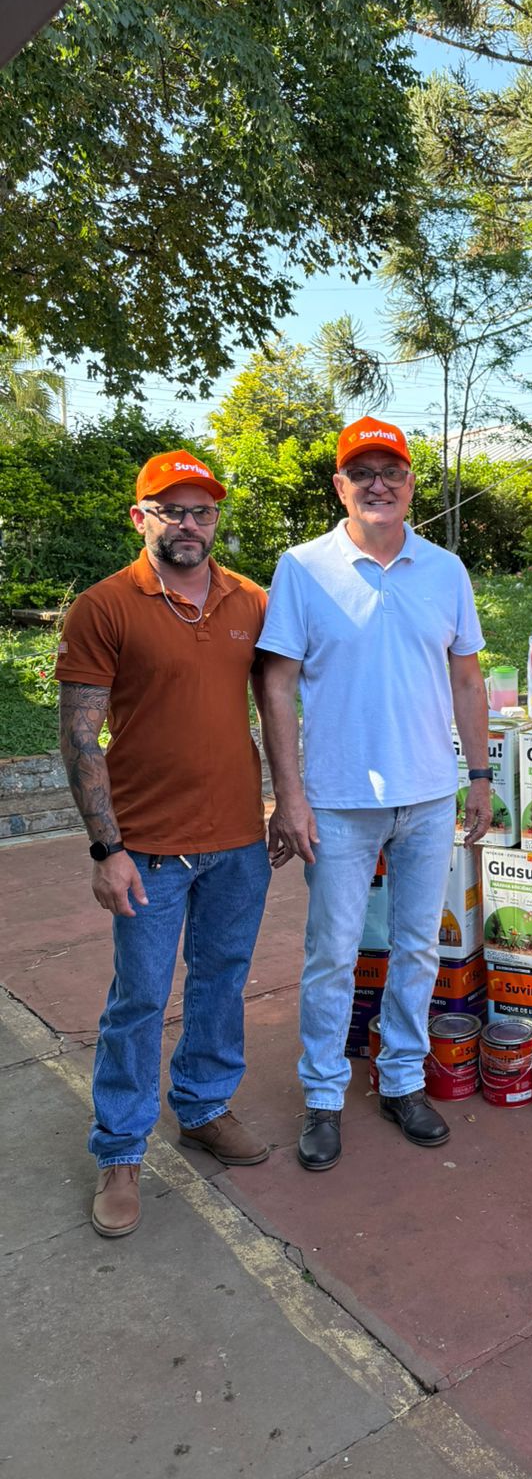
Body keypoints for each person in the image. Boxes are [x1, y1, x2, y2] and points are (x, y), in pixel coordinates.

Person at [257, 416, 492, 1172]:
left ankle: (400, 1080)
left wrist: (480, 776)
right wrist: (288, 795)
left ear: (411, 483)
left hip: (428, 796)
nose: (377, 484)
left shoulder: (445, 569)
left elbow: (466, 676)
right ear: (339, 487)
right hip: (334, 801)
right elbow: (278, 682)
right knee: (331, 953)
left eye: (390, 470)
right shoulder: (302, 567)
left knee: (418, 947)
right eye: (362, 473)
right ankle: (323, 1096)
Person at [56, 450, 272, 1240]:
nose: (189, 524)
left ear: (216, 519)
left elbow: (276, 702)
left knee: (222, 980)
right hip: (145, 849)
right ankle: (120, 1148)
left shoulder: (250, 599)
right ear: (139, 517)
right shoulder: (104, 606)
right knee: (139, 1000)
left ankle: (204, 1107)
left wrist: (288, 803)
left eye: (202, 510)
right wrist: (103, 848)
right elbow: (79, 735)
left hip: (239, 845)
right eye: (170, 509)